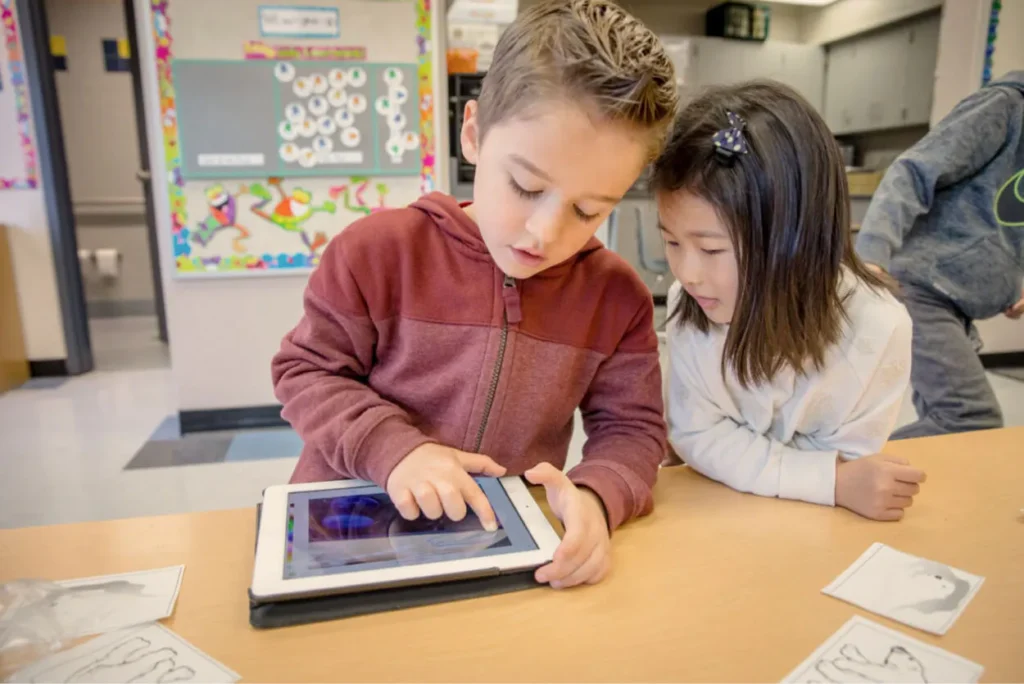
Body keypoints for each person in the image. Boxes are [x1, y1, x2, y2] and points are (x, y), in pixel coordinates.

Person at [272, 0, 677, 590]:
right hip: (348, 531)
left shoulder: (615, 298)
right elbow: (306, 372)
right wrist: (397, 450)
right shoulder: (378, 252)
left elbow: (633, 430)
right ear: (473, 134)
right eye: (525, 185)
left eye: (587, 211)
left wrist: (596, 495)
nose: (545, 232)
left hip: (499, 549)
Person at [657, 81, 925, 522]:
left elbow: (849, 457)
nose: (687, 273)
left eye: (711, 250)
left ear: (795, 239)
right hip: (714, 520)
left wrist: (746, 455)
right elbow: (696, 435)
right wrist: (828, 481)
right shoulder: (693, 306)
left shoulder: (878, 328)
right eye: (671, 241)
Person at [856, 71, 1024, 439]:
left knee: (945, 420)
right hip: (921, 286)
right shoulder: (1005, 107)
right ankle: (845, 472)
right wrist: (871, 254)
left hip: (959, 303)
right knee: (969, 419)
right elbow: (914, 171)